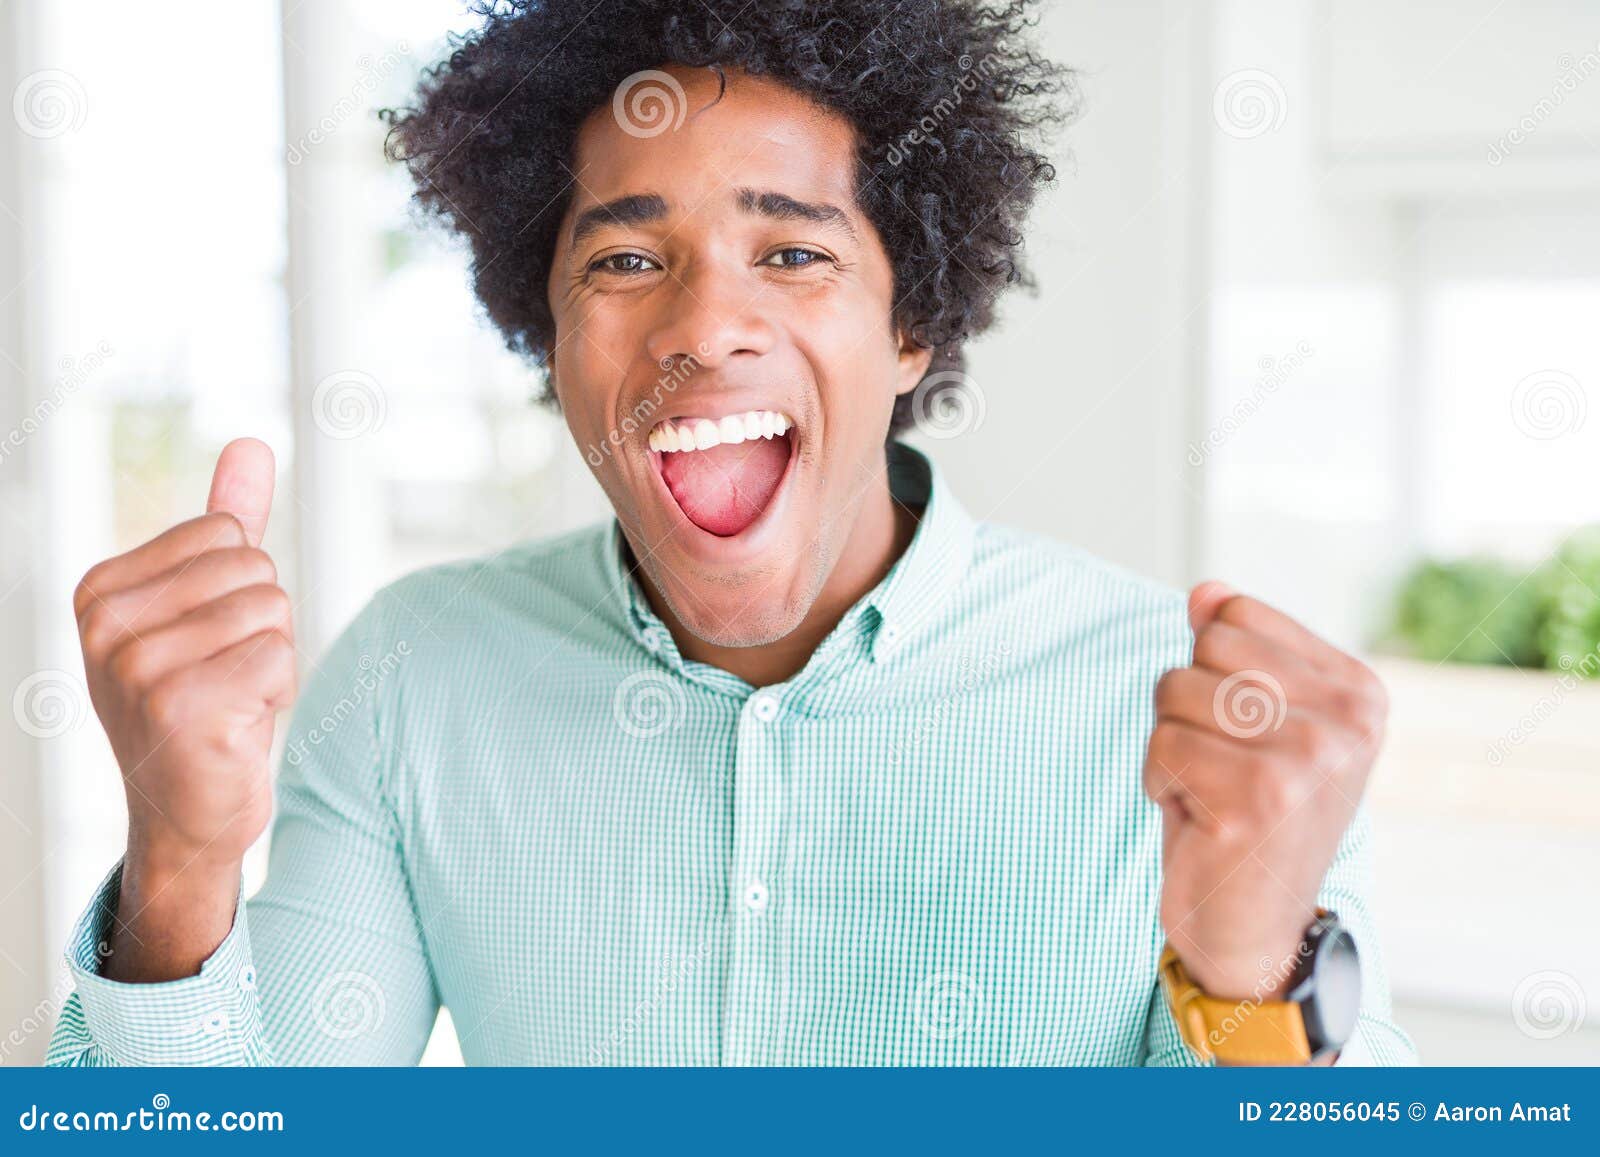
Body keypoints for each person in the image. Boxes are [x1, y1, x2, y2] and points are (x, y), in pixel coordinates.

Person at [49, 0, 1414, 1065]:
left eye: (795, 251)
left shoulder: (1182, 712)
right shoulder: (414, 679)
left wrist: (1250, 975)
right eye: (628, 260)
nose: (705, 325)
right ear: (552, 335)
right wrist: (177, 863)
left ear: (910, 325)